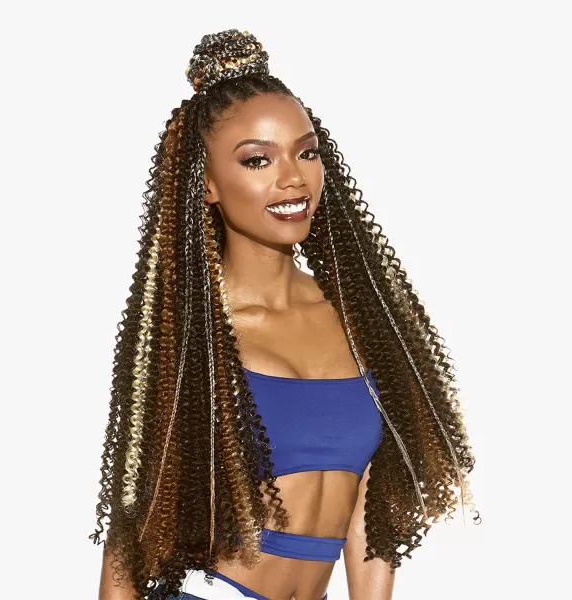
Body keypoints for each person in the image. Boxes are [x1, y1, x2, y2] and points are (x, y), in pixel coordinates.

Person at [92, 28, 481, 600]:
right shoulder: (191, 334)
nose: (293, 177)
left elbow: (373, 512)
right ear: (207, 185)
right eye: (257, 160)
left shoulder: (363, 318)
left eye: (306, 152)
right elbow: (133, 529)